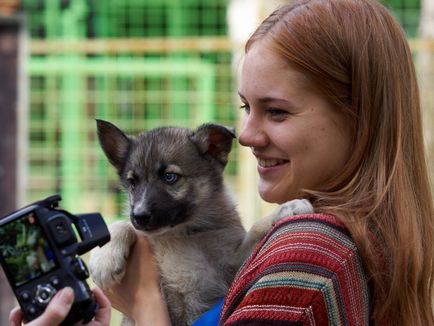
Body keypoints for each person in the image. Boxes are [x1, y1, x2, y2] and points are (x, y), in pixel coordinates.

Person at [10, 0, 434, 324]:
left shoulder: (310, 262)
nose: (245, 136)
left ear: (358, 115)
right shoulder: (359, 243)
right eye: (246, 107)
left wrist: (143, 302)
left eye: (277, 111)